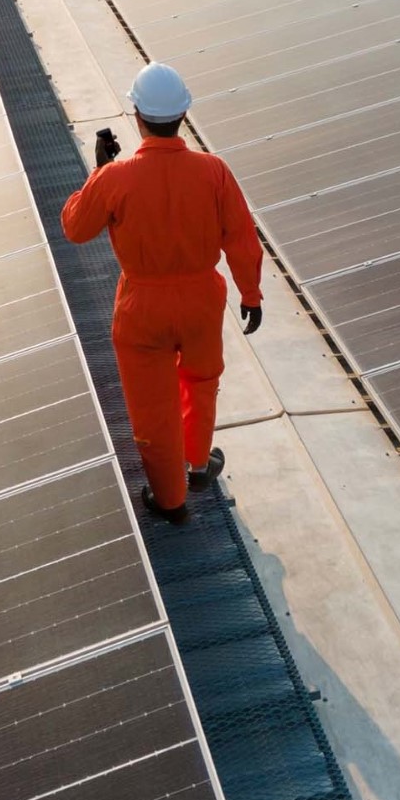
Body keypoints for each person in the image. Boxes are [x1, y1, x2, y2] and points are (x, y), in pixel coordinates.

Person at [61, 62, 264, 525]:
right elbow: (241, 237)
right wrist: (250, 294)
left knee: (153, 406)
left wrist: (99, 173)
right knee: (200, 379)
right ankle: (197, 465)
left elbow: (76, 227)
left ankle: (170, 500)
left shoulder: (117, 179)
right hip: (201, 300)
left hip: (142, 307)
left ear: (136, 115)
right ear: (183, 115)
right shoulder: (213, 171)